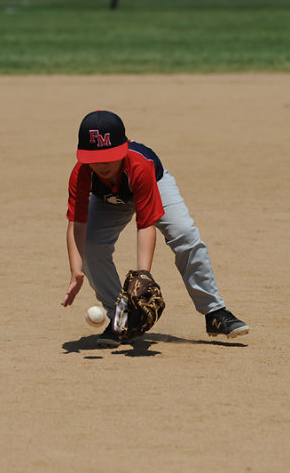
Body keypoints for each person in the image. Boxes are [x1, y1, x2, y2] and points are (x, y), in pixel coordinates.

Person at [61, 110, 249, 347]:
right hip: (108, 198)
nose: (102, 164)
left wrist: (143, 277)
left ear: (123, 148)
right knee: (91, 245)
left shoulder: (139, 164)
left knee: (185, 234)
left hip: (153, 184)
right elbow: (77, 224)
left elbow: (145, 224)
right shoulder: (81, 172)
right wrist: (76, 270)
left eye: (109, 156)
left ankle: (214, 311)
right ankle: (122, 317)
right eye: (94, 158)